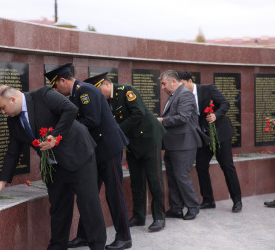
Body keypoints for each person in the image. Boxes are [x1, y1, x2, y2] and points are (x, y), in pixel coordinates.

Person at [0, 85, 106, 250]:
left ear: (13, 99)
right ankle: (57, 246)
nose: (3, 112)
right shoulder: (13, 121)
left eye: (3, 107)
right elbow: (13, 151)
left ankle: (97, 246)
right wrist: (3, 181)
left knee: (89, 205)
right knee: (59, 208)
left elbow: (70, 109)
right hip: (53, 166)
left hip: (78, 156)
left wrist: (55, 137)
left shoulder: (43, 95)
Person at [45, 63, 132, 250]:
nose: (57, 91)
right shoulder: (77, 93)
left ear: (62, 81)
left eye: (56, 86)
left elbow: (91, 120)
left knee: (113, 193)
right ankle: (84, 236)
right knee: (88, 195)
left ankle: (124, 236)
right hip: (94, 152)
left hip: (108, 149)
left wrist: (63, 130)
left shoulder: (85, 91)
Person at [84, 72, 167, 232]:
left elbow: (138, 114)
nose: (99, 96)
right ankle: (139, 215)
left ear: (106, 84)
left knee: (154, 179)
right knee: (136, 180)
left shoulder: (127, 91)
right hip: (131, 143)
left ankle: (159, 217)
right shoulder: (107, 101)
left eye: (99, 91)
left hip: (149, 139)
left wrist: (116, 132)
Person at [178, 71, 243, 212]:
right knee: (201, 166)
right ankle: (208, 200)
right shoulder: (183, 96)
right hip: (204, 136)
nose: (181, 88)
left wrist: (215, 115)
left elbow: (225, 104)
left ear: (190, 81)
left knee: (227, 166)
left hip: (220, 133)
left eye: (182, 84)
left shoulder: (208, 89)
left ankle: (237, 200)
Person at [157, 70, 209, 220]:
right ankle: (176, 208)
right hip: (173, 144)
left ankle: (193, 207)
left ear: (174, 81)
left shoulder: (185, 94)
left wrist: (162, 121)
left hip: (184, 144)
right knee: (173, 177)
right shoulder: (173, 95)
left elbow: (183, 117)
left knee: (181, 176)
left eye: (164, 84)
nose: (162, 88)